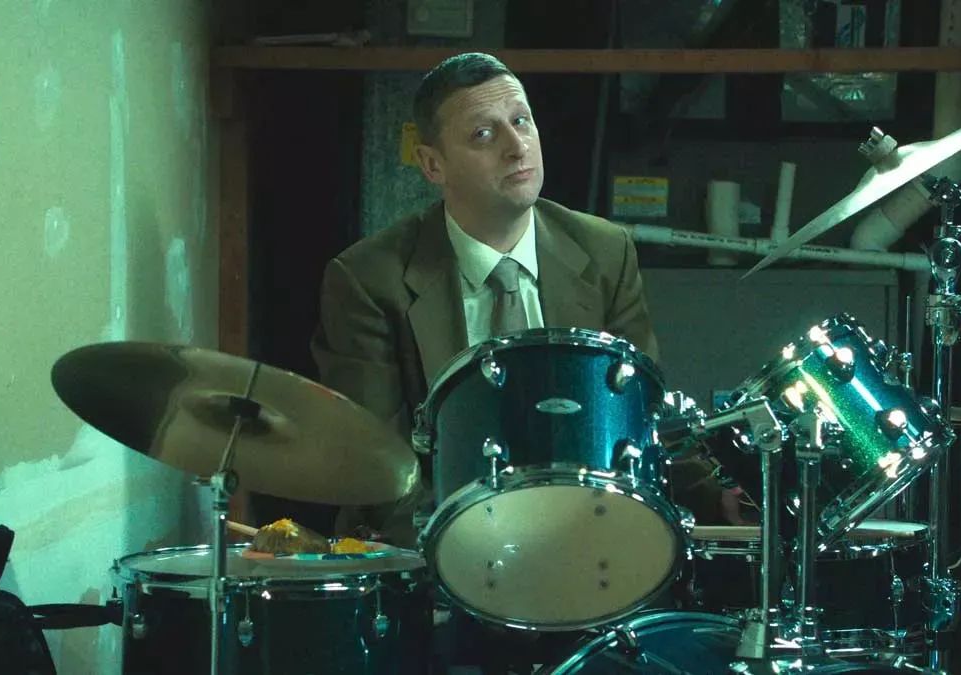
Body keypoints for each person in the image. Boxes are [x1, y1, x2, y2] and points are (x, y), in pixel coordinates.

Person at [310, 52, 733, 672]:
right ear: (432, 164)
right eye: (484, 134)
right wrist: (487, 556)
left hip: (591, 545)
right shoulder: (368, 277)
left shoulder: (604, 249)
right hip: (440, 561)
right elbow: (377, 467)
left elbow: (640, 408)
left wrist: (714, 489)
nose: (516, 147)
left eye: (522, 121)